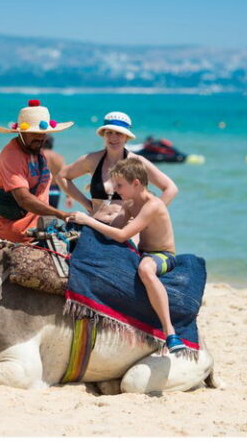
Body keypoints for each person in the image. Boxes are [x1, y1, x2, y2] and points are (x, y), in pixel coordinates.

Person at [66, 158, 185, 353]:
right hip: (143, 251)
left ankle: (169, 331)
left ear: (136, 183)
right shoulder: (130, 203)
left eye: (120, 185)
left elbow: (122, 235)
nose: (116, 190)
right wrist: (84, 225)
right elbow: (113, 229)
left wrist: (88, 220)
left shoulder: (152, 205)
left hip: (162, 255)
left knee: (145, 269)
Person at [58, 111, 177, 229]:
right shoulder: (92, 159)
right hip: (96, 225)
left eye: (119, 133)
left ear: (126, 137)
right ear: (103, 135)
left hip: (127, 229)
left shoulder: (137, 162)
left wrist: (147, 216)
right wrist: (86, 203)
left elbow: (170, 188)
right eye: (109, 132)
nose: (113, 137)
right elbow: (61, 176)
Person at [0, 99, 74, 242]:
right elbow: (24, 199)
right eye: (34, 133)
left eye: (43, 134)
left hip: (41, 227)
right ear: (21, 133)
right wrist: (61, 214)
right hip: (18, 232)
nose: (40, 137)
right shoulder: (11, 157)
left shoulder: (36, 151)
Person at [42, 135, 74, 210]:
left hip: (42, 190)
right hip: (55, 190)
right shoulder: (59, 157)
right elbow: (65, 176)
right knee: (51, 218)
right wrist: (69, 196)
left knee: (38, 218)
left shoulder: (39, 155)